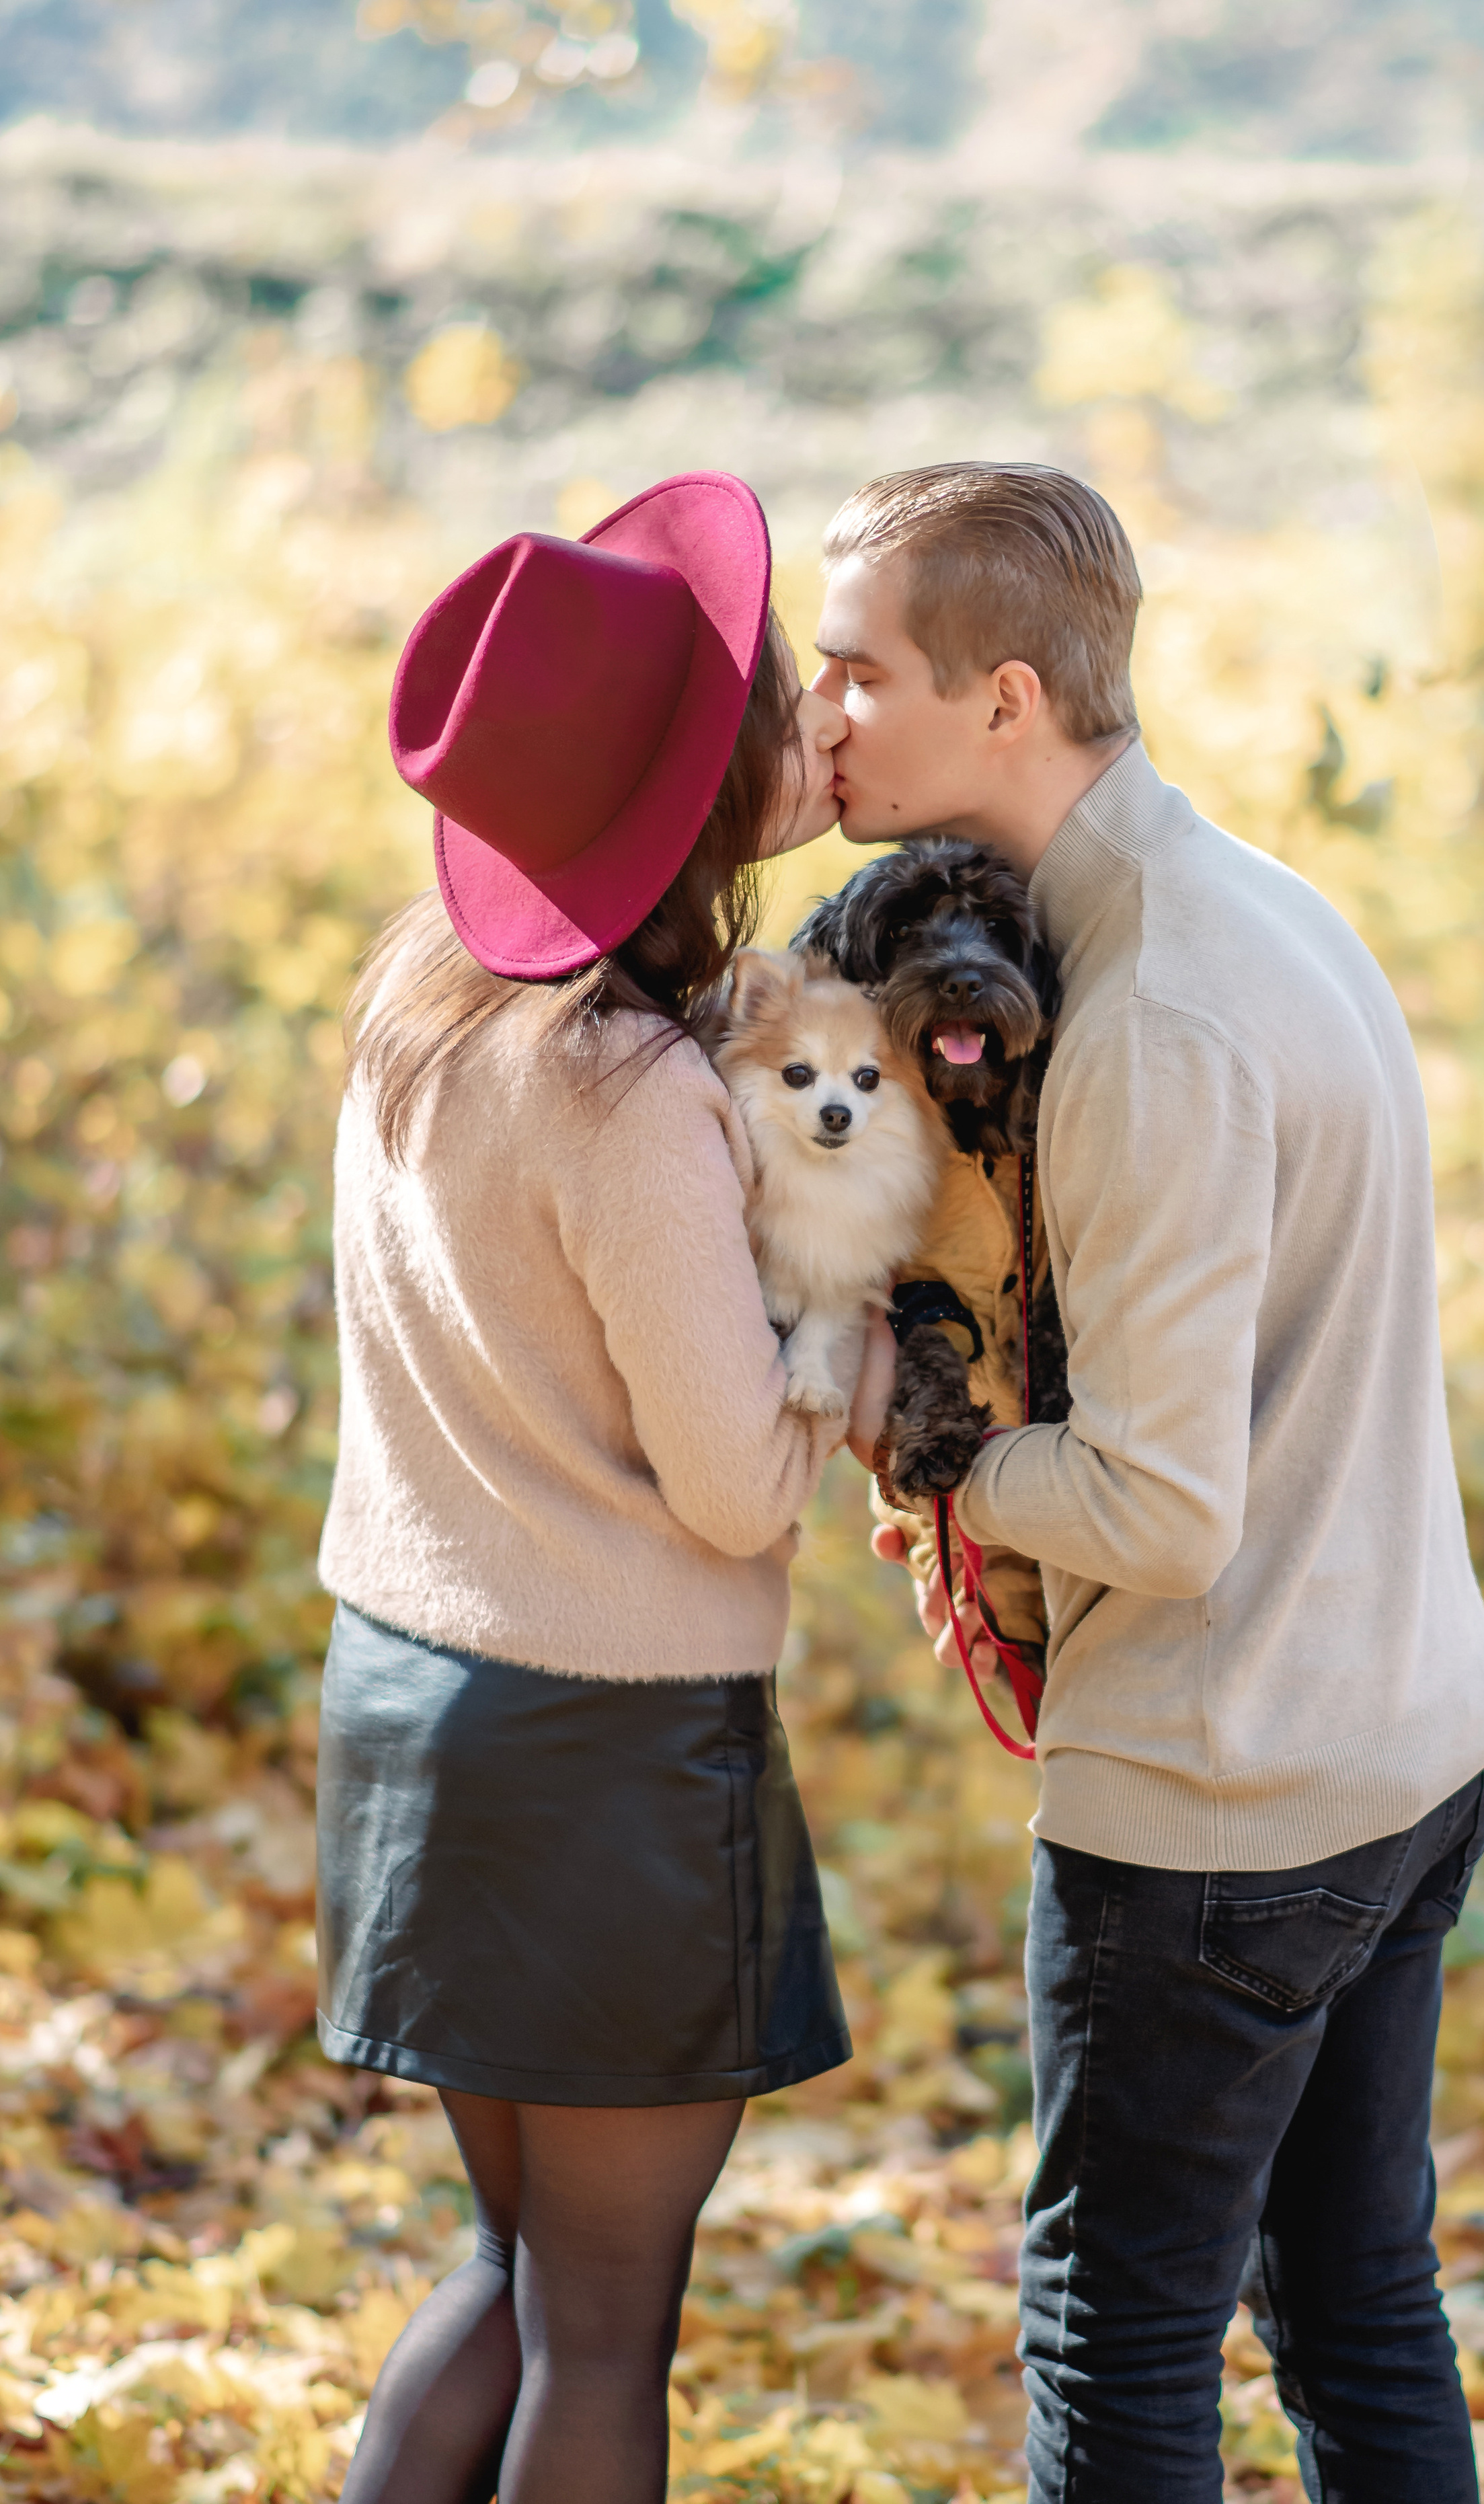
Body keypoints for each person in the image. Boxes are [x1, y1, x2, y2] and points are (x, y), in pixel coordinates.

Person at [822, 462, 1484, 2503]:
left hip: (1231, 1799)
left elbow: (1158, 1505)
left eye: (856, 674)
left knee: (1113, 2341)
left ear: (1006, 698)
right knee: (1361, 2303)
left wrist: (917, 1446)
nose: (821, 719)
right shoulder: (1258, 902)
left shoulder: (1153, 1023)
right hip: (1402, 1733)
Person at [314, 474, 855, 2504]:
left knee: (516, 2270)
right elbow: (734, 1488)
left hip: (412, 1703)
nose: (807, 708)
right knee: (607, 2331)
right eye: (770, 699)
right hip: (604, 1750)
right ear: (700, 791)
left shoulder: (424, 1005)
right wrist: (862, 1355)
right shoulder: (629, 1090)